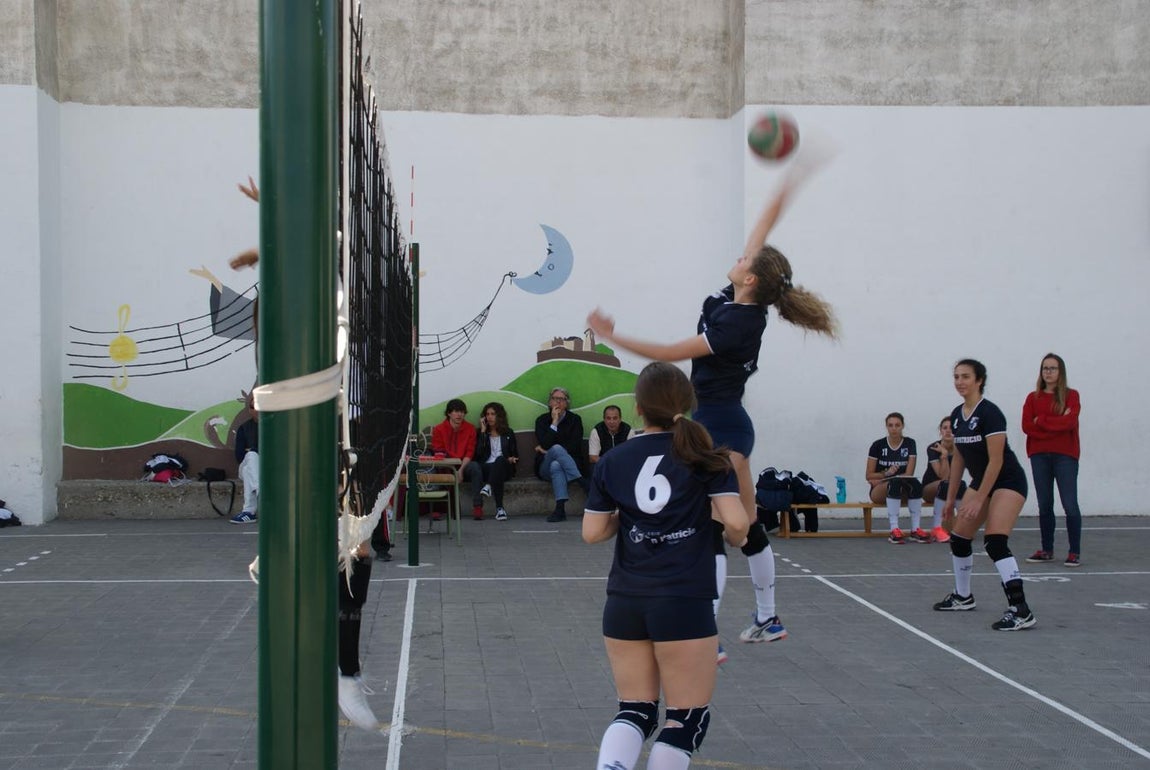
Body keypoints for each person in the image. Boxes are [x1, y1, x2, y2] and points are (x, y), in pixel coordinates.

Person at [587, 165, 837, 649]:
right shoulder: (740, 297)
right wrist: (787, 184)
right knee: (744, 524)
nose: (739, 254)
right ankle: (768, 618)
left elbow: (667, 354)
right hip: (718, 420)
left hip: (720, 421)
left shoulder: (737, 326)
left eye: (745, 257)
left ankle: (709, 632)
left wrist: (611, 335)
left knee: (716, 524)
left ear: (750, 277)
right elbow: (761, 231)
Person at [583, 362, 749, 770]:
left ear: (638, 408)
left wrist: (634, 518)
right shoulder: (706, 457)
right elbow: (739, 523)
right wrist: (732, 534)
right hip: (683, 600)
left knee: (635, 711)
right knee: (685, 720)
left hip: (625, 601)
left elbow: (592, 532)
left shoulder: (614, 459)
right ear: (688, 405)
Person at [933, 359, 1036, 631]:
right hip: (981, 482)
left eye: (965, 376)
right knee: (958, 538)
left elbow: (996, 460)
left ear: (979, 380)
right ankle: (963, 596)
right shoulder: (956, 414)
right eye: (956, 376)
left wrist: (980, 499)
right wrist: (951, 498)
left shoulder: (990, 413)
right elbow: (959, 459)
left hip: (1007, 480)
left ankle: (1021, 610)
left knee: (995, 542)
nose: (959, 382)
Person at [1021, 353, 1083, 567]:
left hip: (1065, 456)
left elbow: (1069, 423)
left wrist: (1043, 421)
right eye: (1045, 368)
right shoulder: (1032, 398)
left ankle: (1074, 551)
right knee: (1045, 504)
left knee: (1070, 504)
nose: (1048, 372)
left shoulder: (1071, 396)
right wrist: (1054, 423)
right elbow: (1027, 427)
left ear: (1060, 371)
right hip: (1039, 456)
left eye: (1053, 368)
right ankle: (1047, 549)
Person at [865, 412, 927, 544]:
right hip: (880, 488)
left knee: (915, 483)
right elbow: (869, 475)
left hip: (903, 487)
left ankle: (915, 529)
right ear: (886, 427)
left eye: (897, 425)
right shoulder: (878, 445)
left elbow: (909, 473)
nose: (894, 428)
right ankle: (894, 529)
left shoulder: (910, 443)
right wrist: (886, 474)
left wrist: (896, 476)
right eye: (890, 425)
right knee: (895, 482)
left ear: (903, 426)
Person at [534, 387, 587, 523]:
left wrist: (550, 451)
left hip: (566, 464)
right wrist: (554, 422)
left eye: (561, 399)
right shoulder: (541, 420)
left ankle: (560, 510)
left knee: (556, 464)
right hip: (544, 467)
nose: (558, 402)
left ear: (567, 403)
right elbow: (545, 443)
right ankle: (583, 482)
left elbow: (575, 446)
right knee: (556, 451)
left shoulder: (575, 420)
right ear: (550, 402)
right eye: (555, 399)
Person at [431, 398, 480, 519]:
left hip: (463, 464)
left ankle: (478, 507)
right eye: (456, 411)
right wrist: (453, 468)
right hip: (446, 463)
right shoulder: (439, 429)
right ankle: (438, 508)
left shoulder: (470, 429)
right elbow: (439, 451)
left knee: (475, 467)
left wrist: (460, 470)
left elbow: (470, 452)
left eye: (462, 412)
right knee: (438, 469)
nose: (460, 414)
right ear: (449, 413)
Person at [921, 415, 966, 544]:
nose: (948, 431)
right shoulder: (933, 447)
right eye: (944, 428)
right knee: (945, 484)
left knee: (961, 484)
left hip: (950, 489)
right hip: (930, 489)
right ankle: (937, 527)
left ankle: (962, 526)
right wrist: (944, 455)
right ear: (940, 431)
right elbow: (943, 476)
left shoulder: (960, 448)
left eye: (951, 428)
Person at [472, 401, 519, 521]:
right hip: (487, 469)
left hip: (504, 468)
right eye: (487, 414)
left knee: (499, 460)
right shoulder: (481, 433)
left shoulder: (508, 432)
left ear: (499, 416)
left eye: (493, 414)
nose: (490, 417)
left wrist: (512, 459)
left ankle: (489, 485)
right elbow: (478, 455)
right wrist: (483, 432)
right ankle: (500, 509)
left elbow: (516, 456)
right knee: (495, 469)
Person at [231, 393, 259, 524]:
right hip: (247, 464)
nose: (257, 410)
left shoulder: (275, 427)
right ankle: (260, 491)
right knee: (251, 457)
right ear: (249, 410)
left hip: (269, 470)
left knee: (250, 471)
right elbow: (239, 455)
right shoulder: (244, 428)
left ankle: (249, 512)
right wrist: (255, 451)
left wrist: (253, 448)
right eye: (253, 407)